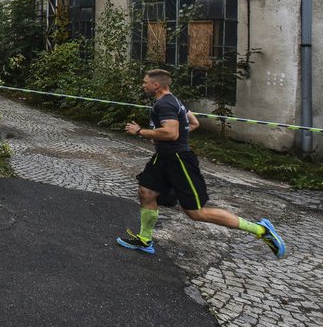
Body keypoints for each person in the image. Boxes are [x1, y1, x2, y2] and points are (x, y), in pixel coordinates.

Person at [116, 69, 286, 258]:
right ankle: (144, 239)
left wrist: (140, 131)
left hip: (179, 160)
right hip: (163, 158)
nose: (143, 85)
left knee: (196, 212)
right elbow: (193, 123)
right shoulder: (174, 101)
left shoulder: (164, 104)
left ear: (156, 85)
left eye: (145, 82)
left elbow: (172, 133)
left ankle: (260, 230)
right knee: (146, 192)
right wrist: (165, 138)